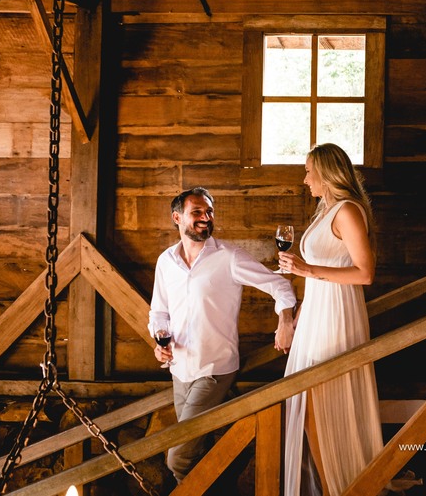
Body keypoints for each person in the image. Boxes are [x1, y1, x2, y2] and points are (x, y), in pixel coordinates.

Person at [148, 186, 297, 484]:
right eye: (197, 212)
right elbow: (159, 313)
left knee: (178, 457)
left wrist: (286, 320)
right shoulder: (166, 261)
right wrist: (158, 343)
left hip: (215, 368)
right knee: (196, 449)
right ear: (177, 218)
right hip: (179, 369)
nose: (206, 217)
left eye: (210, 211)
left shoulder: (229, 257)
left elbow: (279, 286)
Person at [278, 143, 383, 496]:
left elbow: (365, 273)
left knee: (320, 405)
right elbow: (314, 281)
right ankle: (329, 484)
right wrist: (295, 321)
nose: (305, 179)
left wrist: (306, 268)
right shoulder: (326, 210)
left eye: (309, 171)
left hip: (338, 314)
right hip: (316, 316)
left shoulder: (348, 212)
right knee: (307, 404)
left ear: (326, 173)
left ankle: (340, 486)